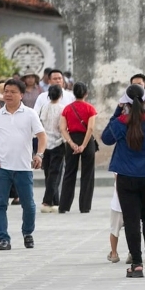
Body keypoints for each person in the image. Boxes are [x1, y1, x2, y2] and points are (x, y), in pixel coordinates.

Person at [103, 84, 145, 277]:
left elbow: (106, 138)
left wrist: (117, 110)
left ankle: (137, 264)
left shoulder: (120, 123)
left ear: (126, 103)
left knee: (131, 221)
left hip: (126, 178)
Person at [0, 78, 46, 251]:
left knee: (29, 204)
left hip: (23, 167)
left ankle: (27, 233)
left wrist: (39, 155)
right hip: (1, 168)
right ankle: (3, 239)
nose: (8, 95)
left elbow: (42, 136)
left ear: (21, 95)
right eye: (6, 91)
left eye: (13, 92)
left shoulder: (29, 114)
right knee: (0, 204)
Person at [57, 82, 97, 214]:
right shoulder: (90, 108)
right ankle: (85, 206)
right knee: (88, 174)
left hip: (72, 139)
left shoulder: (67, 108)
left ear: (74, 93)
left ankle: (64, 206)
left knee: (69, 173)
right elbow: (90, 128)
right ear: (86, 93)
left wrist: (71, 143)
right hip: (87, 140)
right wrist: (84, 145)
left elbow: (62, 128)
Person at [36, 83, 66, 214]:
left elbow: (40, 124)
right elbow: (63, 128)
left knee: (48, 173)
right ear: (60, 95)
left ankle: (56, 201)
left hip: (45, 143)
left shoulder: (44, 107)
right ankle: (47, 201)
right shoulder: (63, 109)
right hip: (58, 143)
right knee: (54, 173)